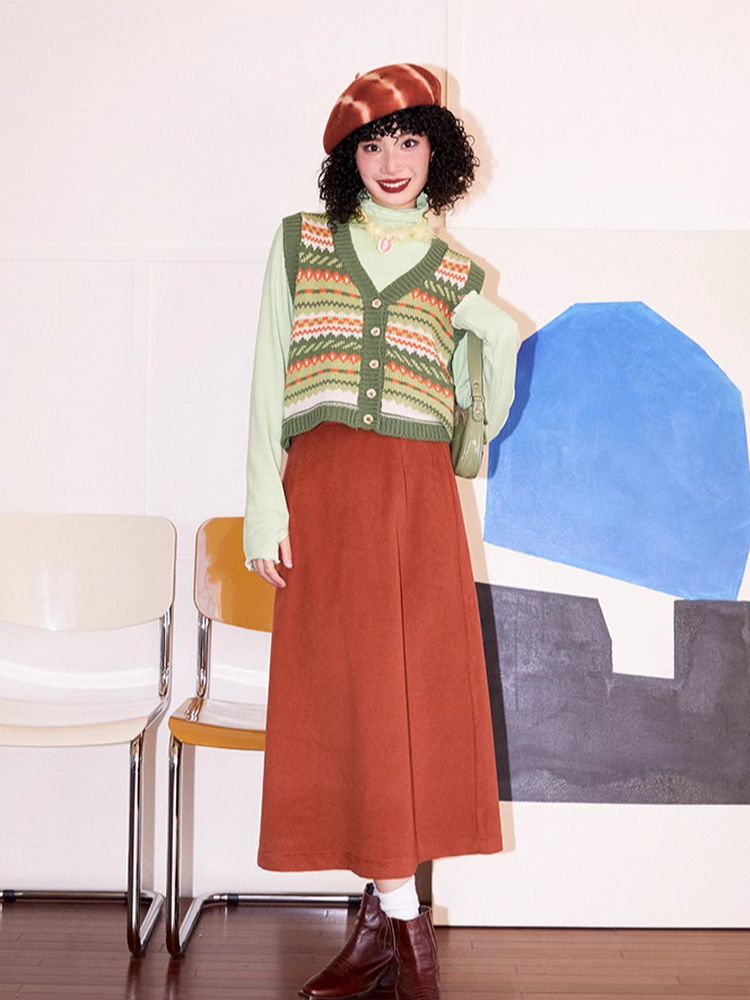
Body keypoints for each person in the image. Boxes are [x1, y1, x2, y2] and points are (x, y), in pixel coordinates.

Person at [243, 63, 521, 1000]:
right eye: (372, 143)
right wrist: (264, 506)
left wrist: (493, 340)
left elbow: (473, 433)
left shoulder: (459, 273)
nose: (392, 160)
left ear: (438, 154)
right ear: (348, 158)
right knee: (351, 702)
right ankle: (409, 937)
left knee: (407, 708)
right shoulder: (302, 242)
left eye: (409, 141)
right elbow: (266, 380)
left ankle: (380, 931)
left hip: (417, 505)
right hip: (324, 496)